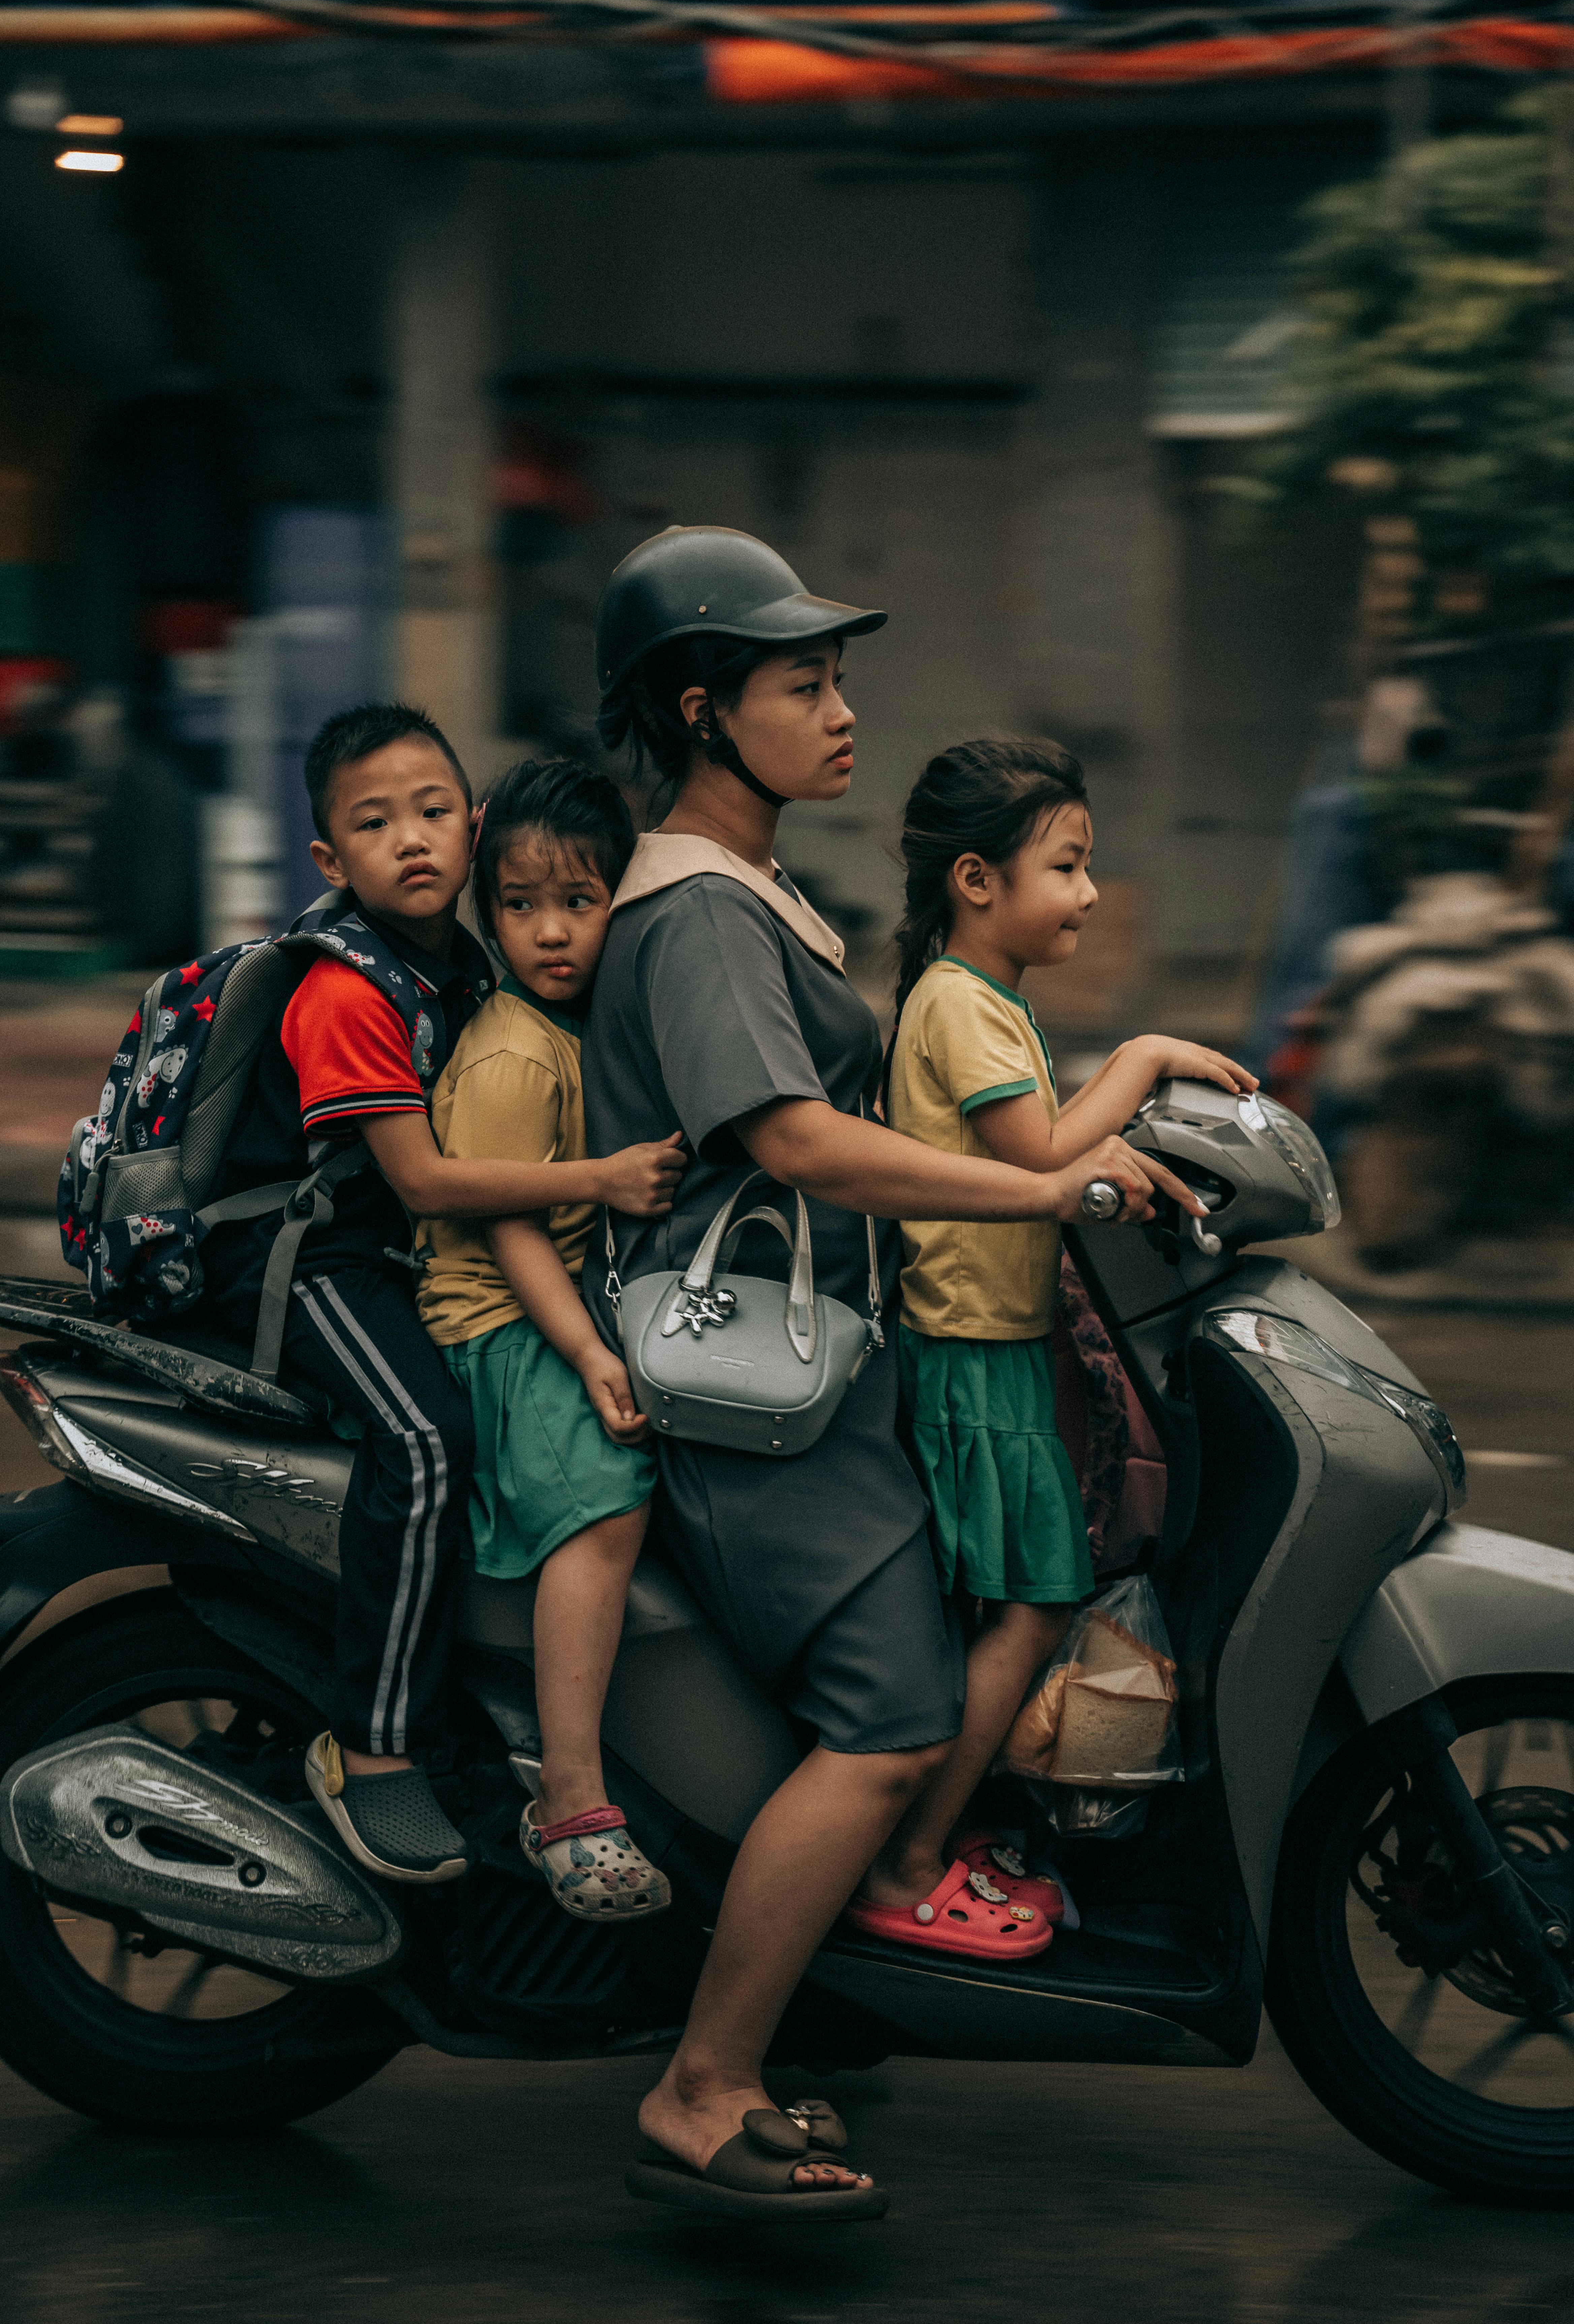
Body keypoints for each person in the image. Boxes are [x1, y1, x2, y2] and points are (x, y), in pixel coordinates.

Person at [580, 526, 1206, 2221]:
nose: (842, 711)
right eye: (804, 684)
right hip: (755, 1389)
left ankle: (818, 1997)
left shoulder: (760, 889)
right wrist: (1032, 1185)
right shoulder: (702, 913)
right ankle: (703, 2090)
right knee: (889, 1727)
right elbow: (793, 1140)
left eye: (838, 676)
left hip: (826, 1363)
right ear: (704, 711)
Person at [200, 703, 683, 1885]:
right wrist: (605, 1179)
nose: (410, 841)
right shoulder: (347, 991)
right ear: (329, 861)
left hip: (388, 1253)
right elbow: (425, 1179)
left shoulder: (463, 960)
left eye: (429, 813)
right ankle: (371, 1750)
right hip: (296, 1261)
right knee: (425, 1440)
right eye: (374, 824)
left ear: (471, 829)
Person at [847, 735, 1257, 1954]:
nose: (1087, 892)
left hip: (996, 1344)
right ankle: (908, 1860)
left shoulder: (982, 999)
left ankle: (936, 1826)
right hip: (974, 1354)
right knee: (1031, 1605)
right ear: (979, 881)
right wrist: (1143, 1057)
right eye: (1068, 865)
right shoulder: (961, 1003)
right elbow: (1039, 1155)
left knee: (1011, 1603)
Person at [416, 758, 671, 1920]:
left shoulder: (580, 1024)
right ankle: (569, 1799)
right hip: (504, 1322)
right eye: (520, 906)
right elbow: (507, 1222)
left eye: (580, 900)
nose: (552, 932)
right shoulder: (517, 1047)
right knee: (608, 1508)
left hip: (558, 1303)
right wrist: (585, 1352)